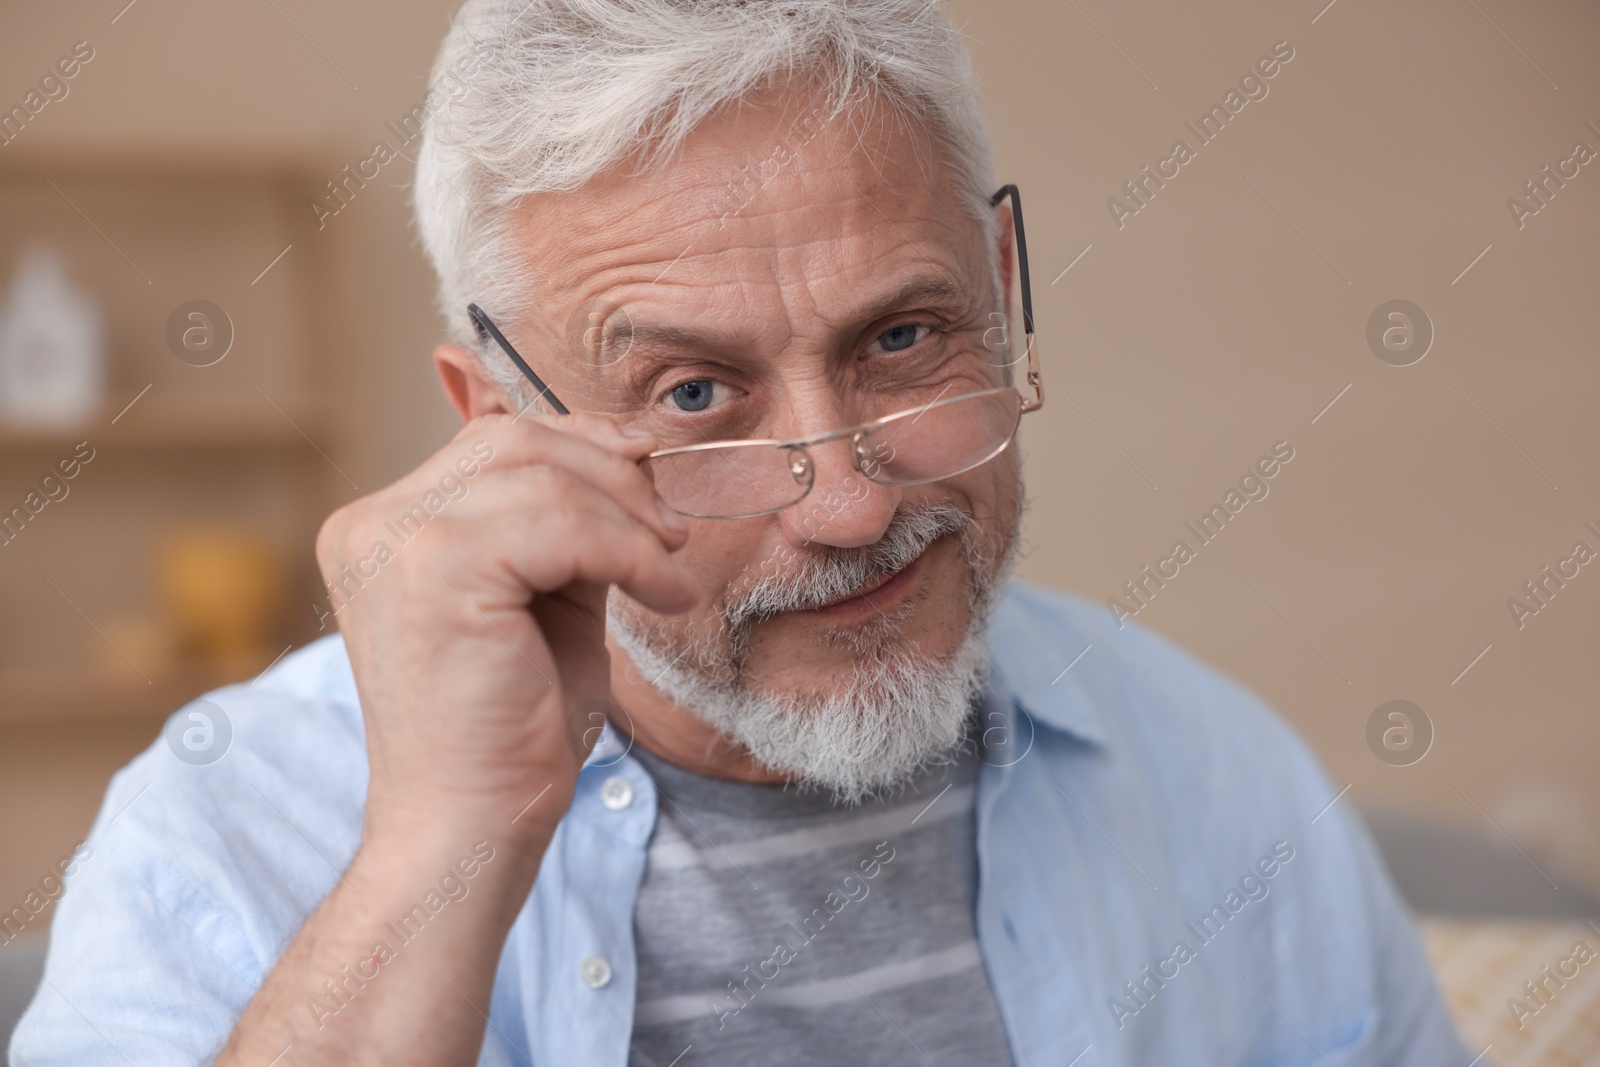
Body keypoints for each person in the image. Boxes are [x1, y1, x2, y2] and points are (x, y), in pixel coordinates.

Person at [12, 1, 1474, 1064]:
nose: (849, 507)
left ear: (1005, 286)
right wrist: (444, 846)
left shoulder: (1220, 777)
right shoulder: (226, 830)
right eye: (695, 394)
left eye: (904, 337)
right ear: (496, 425)